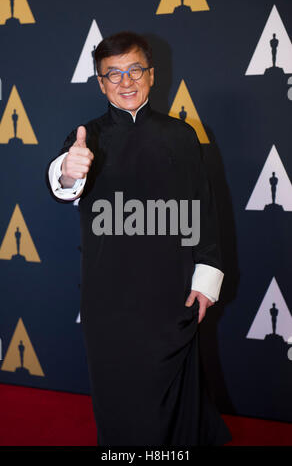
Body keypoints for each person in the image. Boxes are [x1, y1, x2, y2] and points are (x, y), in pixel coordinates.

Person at [47, 31, 232, 446]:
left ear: (151, 74)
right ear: (99, 82)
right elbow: (62, 181)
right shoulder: (86, 137)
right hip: (108, 299)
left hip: (172, 295)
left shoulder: (183, 135)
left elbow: (204, 210)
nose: (125, 82)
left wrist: (205, 280)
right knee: (118, 402)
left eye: (134, 71)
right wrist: (67, 172)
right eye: (113, 74)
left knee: (177, 403)